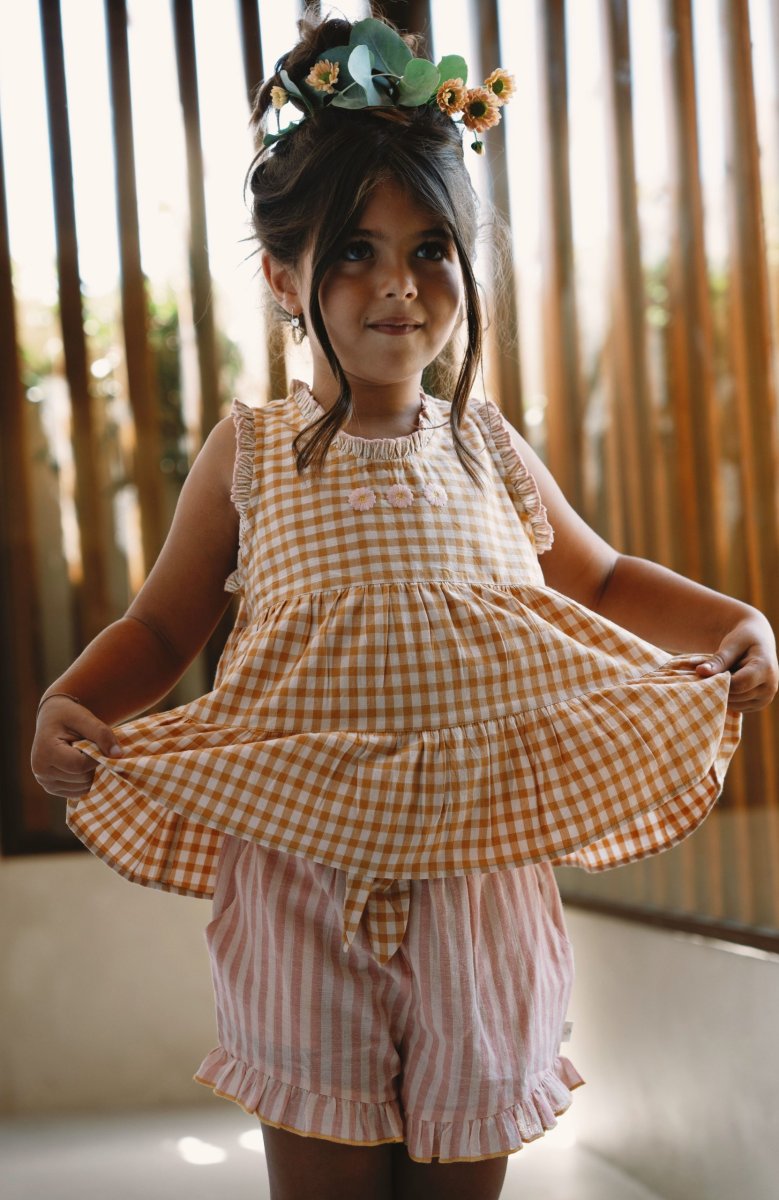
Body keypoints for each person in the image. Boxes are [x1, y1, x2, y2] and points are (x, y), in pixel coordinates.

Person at [30, 15, 777, 1200]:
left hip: (479, 877)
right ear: (282, 276)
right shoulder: (250, 452)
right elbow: (163, 629)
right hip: (301, 878)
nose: (397, 284)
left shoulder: (486, 443)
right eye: (353, 251)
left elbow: (601, 579)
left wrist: (730, 622)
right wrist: (74, 700)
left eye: (430, 248)